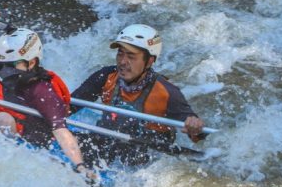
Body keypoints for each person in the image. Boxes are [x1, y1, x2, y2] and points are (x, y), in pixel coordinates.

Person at [71, 24, 205, 167]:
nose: (123, 62)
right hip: (106, 142)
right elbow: (68, 106)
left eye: (131, 56)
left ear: (150, 61)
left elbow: (197, 133)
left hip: (144, 155)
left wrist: (194, 126)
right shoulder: (106, 76)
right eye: (120, 53)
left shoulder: (166, 92)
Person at [0, 27, 91, 174]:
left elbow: (61, 130)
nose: (5, 71)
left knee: (4, 119)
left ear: (32, 63)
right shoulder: (0, 73)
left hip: (28, 142)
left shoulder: (42, 91)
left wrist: (80, 165)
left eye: (12, 65)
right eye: (1, 65)